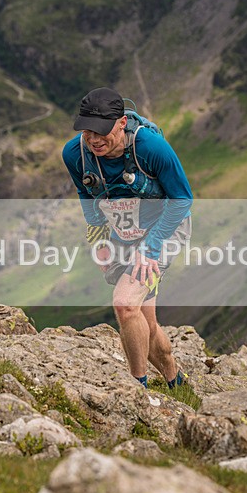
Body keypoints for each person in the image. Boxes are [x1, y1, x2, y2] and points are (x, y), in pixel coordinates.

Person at [62, 87, 193, 390]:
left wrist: (151, 247)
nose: (93, 139)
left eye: (102, 131)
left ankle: (137, 390)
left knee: (125, 304)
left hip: (166, 226)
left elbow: (182, 199)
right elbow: (86, 192)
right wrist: (97, 235)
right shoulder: (74, 154)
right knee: (144, 320)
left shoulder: (151, 147)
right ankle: (175, 378)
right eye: (86, 131)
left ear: (121, 123)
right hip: (124, 232)